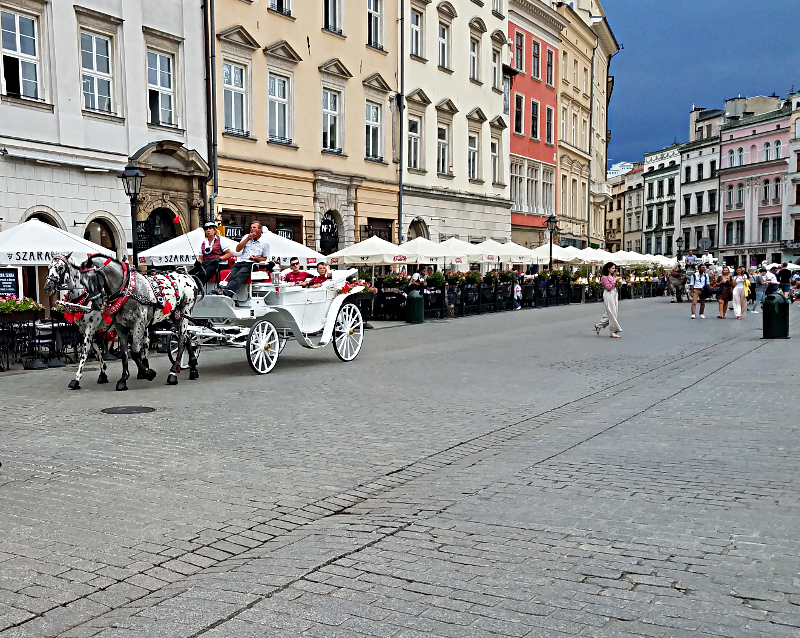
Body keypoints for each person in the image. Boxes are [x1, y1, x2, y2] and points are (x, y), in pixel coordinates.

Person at [217, 221, 274, 298]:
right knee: (232, 275)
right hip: (241, 261)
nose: (252, 229)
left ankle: (227, 293)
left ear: (259, 229)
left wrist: (256, 258)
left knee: (240, 275)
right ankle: (228, 293)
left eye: (254, 227)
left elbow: (264, 258)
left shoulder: (265, 243)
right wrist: (248, 238)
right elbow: (238, 249)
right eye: (251, 227)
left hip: (252, 263)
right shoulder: (246, 237)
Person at [595, 262, 622, 338]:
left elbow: (614, 286)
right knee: (611, 311)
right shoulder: (604, 277)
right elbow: (608, 287)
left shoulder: (613, 277)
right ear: (608, 269)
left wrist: (616, 282)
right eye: (612, 268)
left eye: (614, 268)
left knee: (613, 312)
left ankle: (599, 325)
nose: (614, 270)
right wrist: (614, 281)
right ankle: (613, 331)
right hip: (608, 294)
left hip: (614, 293)